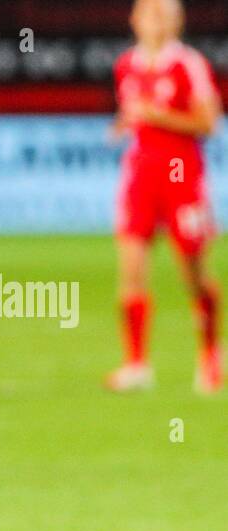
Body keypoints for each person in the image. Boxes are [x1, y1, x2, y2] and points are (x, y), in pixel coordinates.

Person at [108, 0, 222, 393]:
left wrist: (158, 115)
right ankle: (136, 364)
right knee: (131, 266)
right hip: (141, 176)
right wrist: (124, 124)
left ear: (177, 22)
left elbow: (208, 122)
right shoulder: (126, 65)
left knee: (193, 273)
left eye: (165, 15)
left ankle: (210, 355)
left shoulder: (187, 64)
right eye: (150, 14)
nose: (157, 22)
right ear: (135, 20)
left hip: (181, 176)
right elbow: (133, 112)